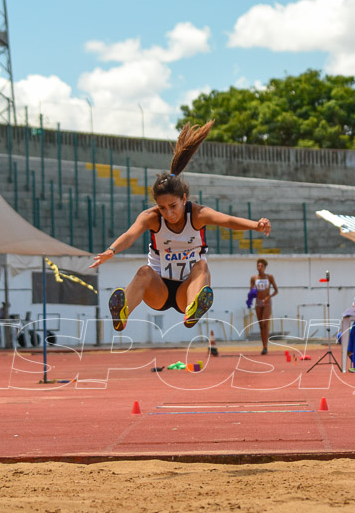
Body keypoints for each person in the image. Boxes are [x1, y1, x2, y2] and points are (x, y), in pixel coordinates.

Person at [90, 120, 271, 331]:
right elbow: (130, 235)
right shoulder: (151, 217)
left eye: (173, 206)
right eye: (163, 207)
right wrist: (111, 250)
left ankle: (192, 310)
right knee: (143, 271)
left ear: (184, 198)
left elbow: (227, 220)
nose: (169, 213)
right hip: (160, 291)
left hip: (187, 290)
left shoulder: (197, 214)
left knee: (202, 266)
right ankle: (122, 314)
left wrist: (255, 225)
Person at [250, 258, 278, 354]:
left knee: (265, 323)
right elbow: (251, 291)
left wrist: (268, 297)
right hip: (258, 302)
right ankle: (263, 346)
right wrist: (252, 294)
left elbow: (276, 290)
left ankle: (265, 346)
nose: (259, 268)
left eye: (261, 266)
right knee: (261, 325)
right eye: (258, 266)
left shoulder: (269, 277)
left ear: (265, 267)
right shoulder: (254, 278)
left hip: (267, 302)